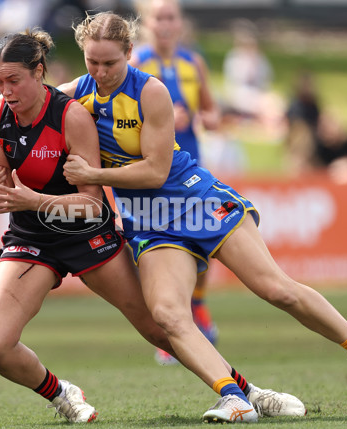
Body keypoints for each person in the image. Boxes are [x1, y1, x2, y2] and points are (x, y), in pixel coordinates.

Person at [59, 11, 347, 424]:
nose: (100, 72)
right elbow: (18, 105)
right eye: (92, 62)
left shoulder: (150, 91)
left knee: (277, 289)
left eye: (110, 63)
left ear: (129, 53)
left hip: (195, 199)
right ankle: (235, 397)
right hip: (151, 221)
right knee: (169, 316)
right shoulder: (75, 94)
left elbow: (156, 171)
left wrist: (93, 176)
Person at [0, 29, 306, 424]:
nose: (6, 91)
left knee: (162, 329)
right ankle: (63, 395)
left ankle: (247, 392)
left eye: (14, 80)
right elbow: (0, 177)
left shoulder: (71, 116)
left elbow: (92, 205)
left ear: (39, 72)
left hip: (88, 235)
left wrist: (34, 200)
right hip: (32, 237)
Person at [130, 0, 221, 366]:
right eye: (158, 18)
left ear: (179, 24)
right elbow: (122, 115)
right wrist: (162, 117)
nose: (165, 24)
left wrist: (207, 117)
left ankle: (197, 306)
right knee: (162, 248)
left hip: (190, 165)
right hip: (153, 170)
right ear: (147, 23)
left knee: (205, 237)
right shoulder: (136, 62)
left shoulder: (192, 63)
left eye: (171, 18)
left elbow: (210, 110)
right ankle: (171, 325)